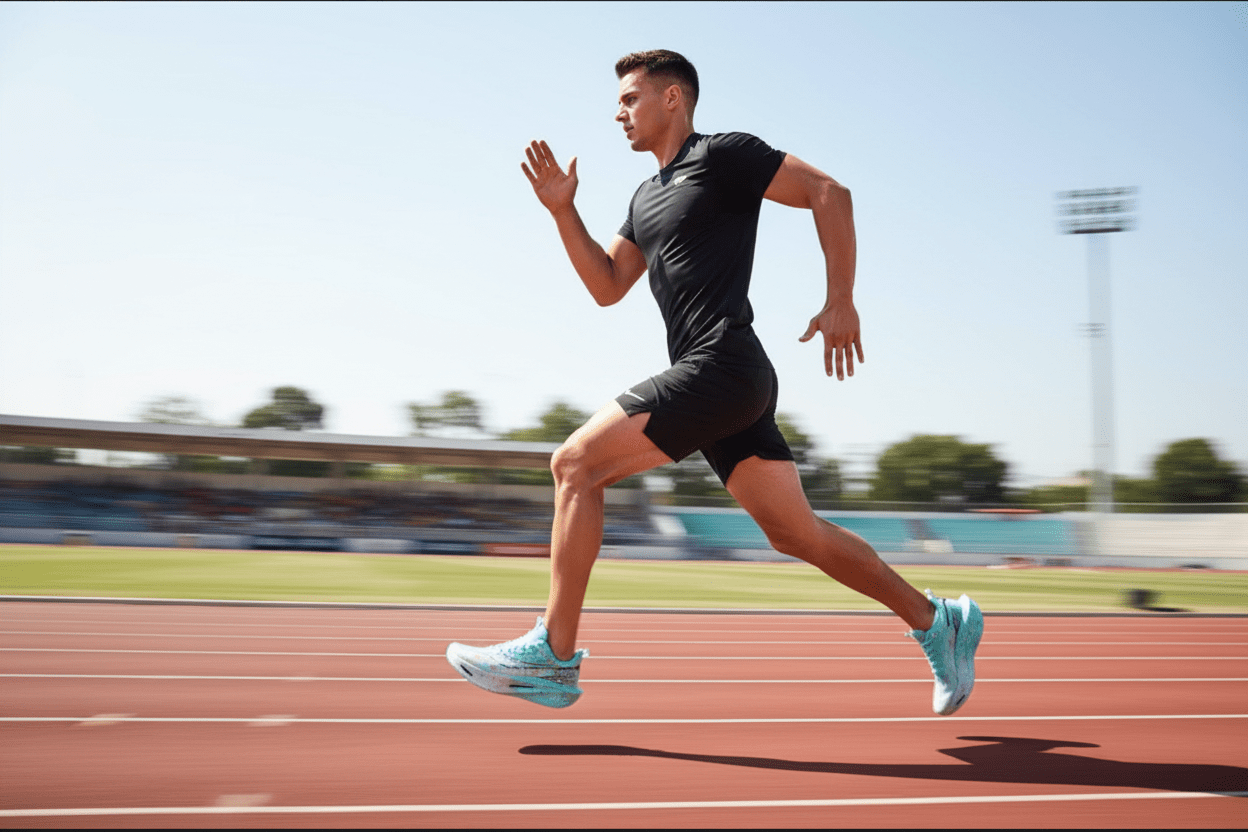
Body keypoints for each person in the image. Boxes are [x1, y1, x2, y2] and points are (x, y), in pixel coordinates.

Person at [446, 50, 982, 715]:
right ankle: (939, 622)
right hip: (728, 383)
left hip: (723, 364)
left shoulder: (723, 155)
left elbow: (828, 193)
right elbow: (608, 286)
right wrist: (562, 212)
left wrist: (840, 297)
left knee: (575, 465)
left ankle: (554, 656)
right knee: (797, 535)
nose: (619, 112)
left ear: (673, 99)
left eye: (630, 98)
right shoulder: (644, 198)